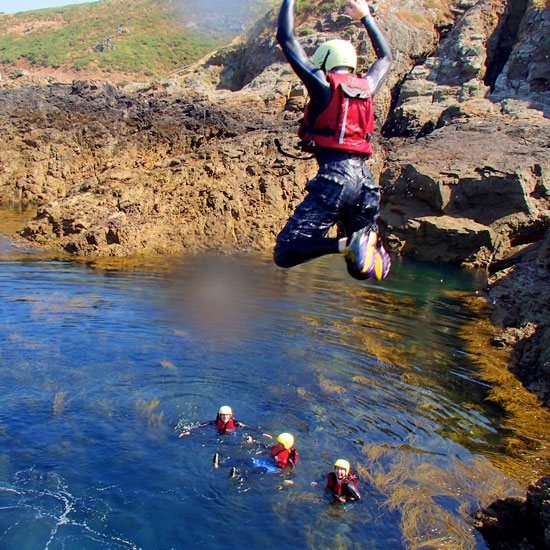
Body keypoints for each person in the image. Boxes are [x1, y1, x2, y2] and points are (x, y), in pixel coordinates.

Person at [275, 0, 393, 281]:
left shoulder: (323, 86)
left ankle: (344, 244)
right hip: (366, 182)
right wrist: (366, 17)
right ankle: (365, 244)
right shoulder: (367, 87)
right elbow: (385, 58)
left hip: (335, 180)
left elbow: (286, 38)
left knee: (286, 252)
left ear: (326, 62)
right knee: (359, 269)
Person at [178, 405, 247, 437]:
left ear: (230, 416)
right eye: (223, 415)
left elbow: (251, 429)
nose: (225, 417)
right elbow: (199, 427)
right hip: (218, 436)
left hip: (232, 437)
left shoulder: (237, 424)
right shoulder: (214, 423)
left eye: (227, 415)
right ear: (219, 415)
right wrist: (189, 431)